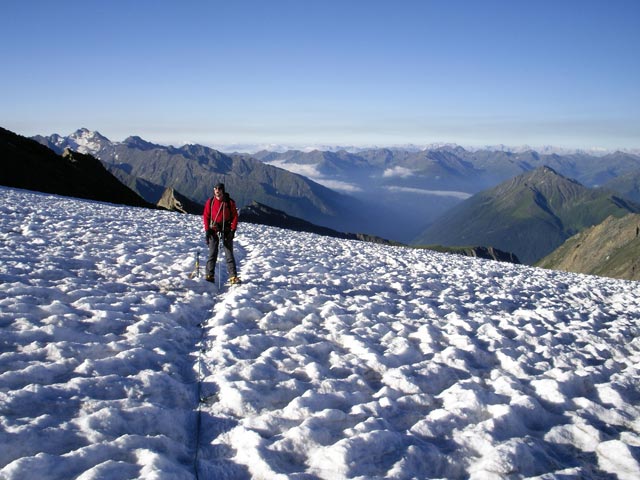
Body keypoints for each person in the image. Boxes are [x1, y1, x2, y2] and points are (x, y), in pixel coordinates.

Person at [202, 183, 240, 284]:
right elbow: (206, 216)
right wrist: (207, 230)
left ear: (223, 190)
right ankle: (209, 275)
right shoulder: (210, 202)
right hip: (213, 229)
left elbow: (235, 216)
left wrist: (232, 230)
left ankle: (233, 276)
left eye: (219, 189)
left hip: (226, 230)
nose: (217, 191)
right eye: (215, 189)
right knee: (212, 253)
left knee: (228, 253)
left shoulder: (229, 202)